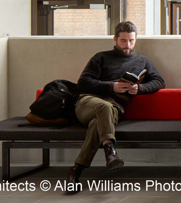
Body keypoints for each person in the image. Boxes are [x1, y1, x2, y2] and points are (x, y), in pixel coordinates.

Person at [66, 21, 165, 192]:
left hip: (114, 109)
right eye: (123, 41)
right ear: (115, 39)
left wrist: (139, 88)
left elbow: (159, 82)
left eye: (131, 41)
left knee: (98, 122)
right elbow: (82, 83)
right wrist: (111, 86)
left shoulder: (142, 61)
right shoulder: (101, 57)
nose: (128, 45)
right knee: (103, 107)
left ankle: (76, 171)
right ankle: (109, 150)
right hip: (88, 103)